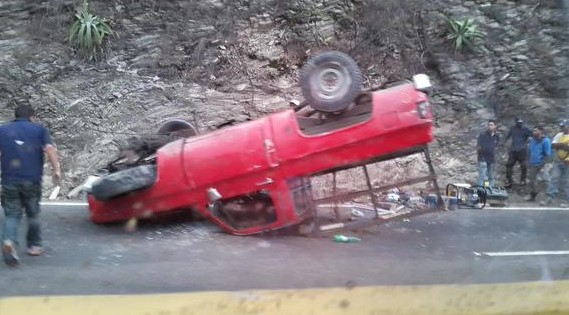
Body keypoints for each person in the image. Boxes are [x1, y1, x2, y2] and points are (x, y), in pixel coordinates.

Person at [0, 105, 61, 266]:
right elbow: (50, 149)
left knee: (12, 215)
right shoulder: (39, 129)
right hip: (31, 180)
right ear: (32, 116)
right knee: (33, 214)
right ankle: (34, 246)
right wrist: (57, 170)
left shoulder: (3, 130)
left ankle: (8, 241)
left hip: (9, 180)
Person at [541, 119, 569, 207]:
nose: (562, 128)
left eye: (563, 126)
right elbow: (553, 145)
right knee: (554, 178)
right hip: (559, 160)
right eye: (561, 126)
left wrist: (560, 145)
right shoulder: (559, 135)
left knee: (567, 181)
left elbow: (560, 146)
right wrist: (564, 145)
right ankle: (549, 198)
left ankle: (566, 200)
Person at [524, 126, 551, 201]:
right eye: (533, 131)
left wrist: (542, 165)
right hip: (533, 164)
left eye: (536, 131)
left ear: (540, 131)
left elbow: (547, 154)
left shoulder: (545, 141)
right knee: (532, 181)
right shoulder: (532, 140)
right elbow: (529, 152)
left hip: (542, 164)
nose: (534, 132)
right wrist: (528, 161)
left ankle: (549, 197)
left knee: (545, 180)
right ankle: (533, 196)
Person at [505, 118, 532, 188]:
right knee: (509, 165)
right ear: (516, 122)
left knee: (524, 166)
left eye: (521, 122)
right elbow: (507, 137)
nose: (520, 124)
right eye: (518, 122)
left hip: (522, 151)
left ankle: (523, 180)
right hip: (513, 150)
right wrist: (504, 143)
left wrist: (528, 141)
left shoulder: (526, 129)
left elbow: (532, 135)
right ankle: (509, 181)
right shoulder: (512, 129)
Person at [477, 120, 500, 187]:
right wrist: (480, 156)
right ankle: (480, 189)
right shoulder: (483, 135)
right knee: (482, 174)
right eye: (489, 125)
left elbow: (496, 146)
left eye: (492, 125)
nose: (490, 126)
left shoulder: (496, 136)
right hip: (483, 158)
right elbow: (479, 146)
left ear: (495, 126)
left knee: (491, 175)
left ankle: (491, 190)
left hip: (491, 158)